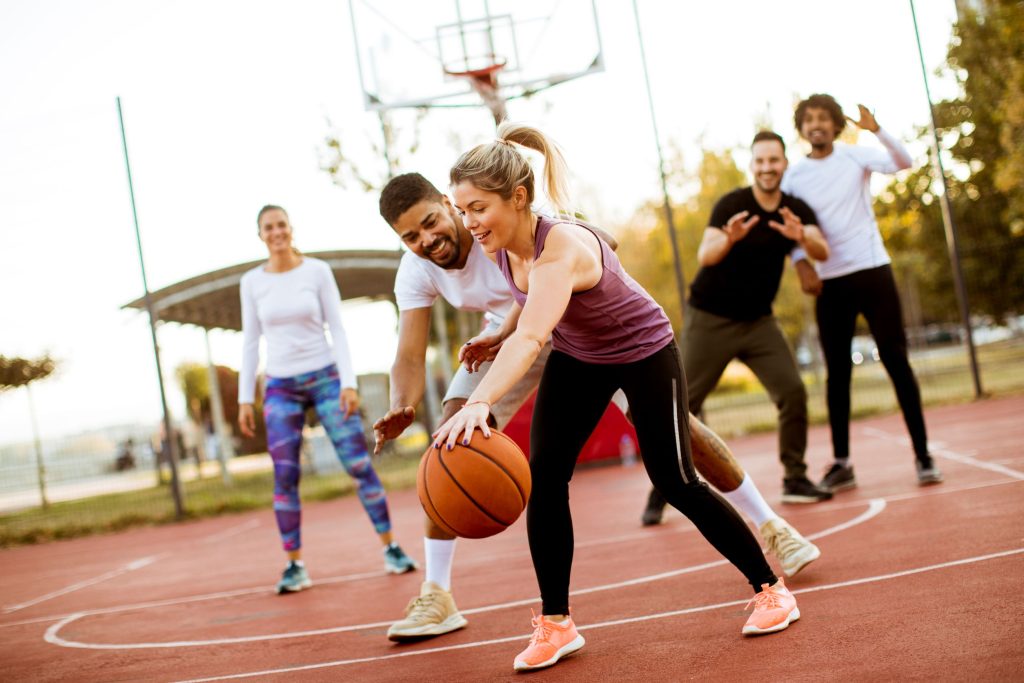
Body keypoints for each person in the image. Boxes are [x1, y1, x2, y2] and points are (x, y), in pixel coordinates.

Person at [375, 173, 819, 643]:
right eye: (410, 237)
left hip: (595, 334)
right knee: (455, 441)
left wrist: (581, 253)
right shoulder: (433, 262)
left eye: (431, 223)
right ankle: (446, 595)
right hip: (515, 338)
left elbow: (593, 247)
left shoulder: (509, 220)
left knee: (676, 452)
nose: (427, 240)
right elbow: (411, 352)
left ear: (449, 205)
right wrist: (403, 404)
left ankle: (771, 527)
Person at [641, 131, 833, 527]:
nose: (767, 168)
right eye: (760, 161)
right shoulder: (732, 204)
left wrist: (800, 238)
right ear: (753, 165)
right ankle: (661, 490)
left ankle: (795, 476)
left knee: (793, 392)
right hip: (710, 319)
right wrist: (729, 240)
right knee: (681, 406)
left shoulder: (794, 210)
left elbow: (821, 249)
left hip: (759, 323)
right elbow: (705, 254)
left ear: (783, 164)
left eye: (774, 161)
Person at [238, 204, 416, 595]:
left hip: (325, 378)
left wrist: (348, 384)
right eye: (268, 227)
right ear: (260, 234)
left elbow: (337, 327)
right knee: (285, 475)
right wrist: (243, 399)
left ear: (291, 228)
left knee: (357, 464)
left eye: (281, 224)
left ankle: (392, 549)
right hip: (280, 385)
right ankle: (294, 565)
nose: (276, 232)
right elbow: (251, 340)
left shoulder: (316, 271)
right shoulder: (252, 282)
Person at [782, 94, 943, 489]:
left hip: (872, 270)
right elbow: (786, 228)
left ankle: (923, 455)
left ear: (836, 126)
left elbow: (904, 161)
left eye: (824, 118)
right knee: (837, 375)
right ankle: (842, 463)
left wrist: (877, 130)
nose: (816, 124)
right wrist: (801, 263)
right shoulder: (793, 177)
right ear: (802, 128)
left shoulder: (855, 156)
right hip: (830, 282)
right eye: (809, 119)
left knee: (896, 361)